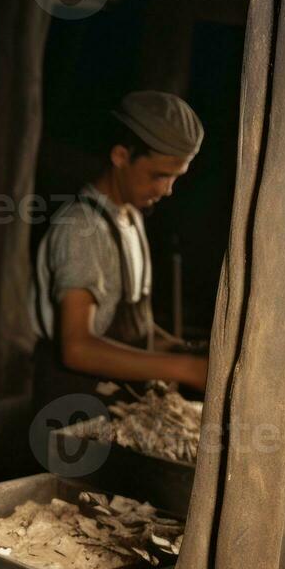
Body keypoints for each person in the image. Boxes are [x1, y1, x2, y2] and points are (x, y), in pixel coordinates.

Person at [32, 91, 209, 410]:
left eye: (175, 177)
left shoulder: (131, 217)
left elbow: (134, 328)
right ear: (120, 156)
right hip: (72, 411)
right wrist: (187, 369)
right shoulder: (82, 229)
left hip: (118, 405)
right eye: (159, 175)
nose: (167, 190)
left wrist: (184, 350)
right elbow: (78, 347)